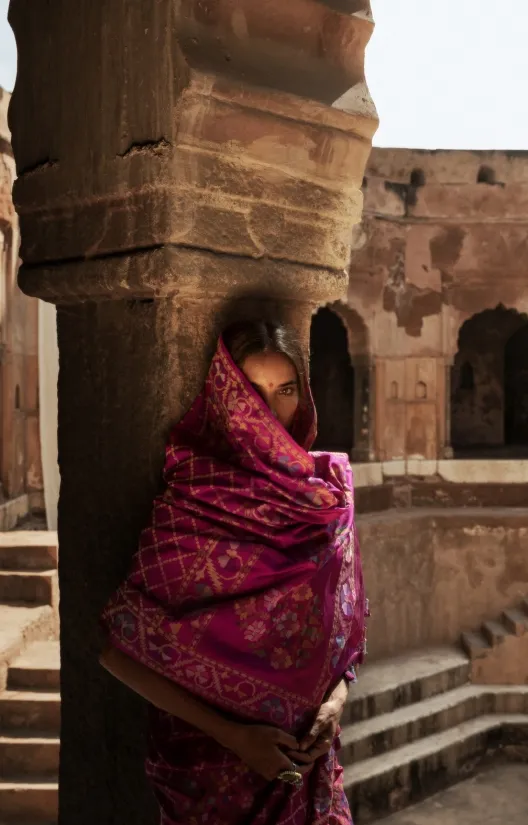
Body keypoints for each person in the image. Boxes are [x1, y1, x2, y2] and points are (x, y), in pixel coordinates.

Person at [100, 319, 368, 825]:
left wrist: (336, 702)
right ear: (227, 396)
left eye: (285, 390)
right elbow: (118, 650)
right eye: (252, 391)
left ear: (304, 396)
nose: (268, 410)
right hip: (209, 771)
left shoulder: (328, 497)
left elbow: (348, 633)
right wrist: (237, 738)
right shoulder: (194, 501)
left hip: (308, 766)